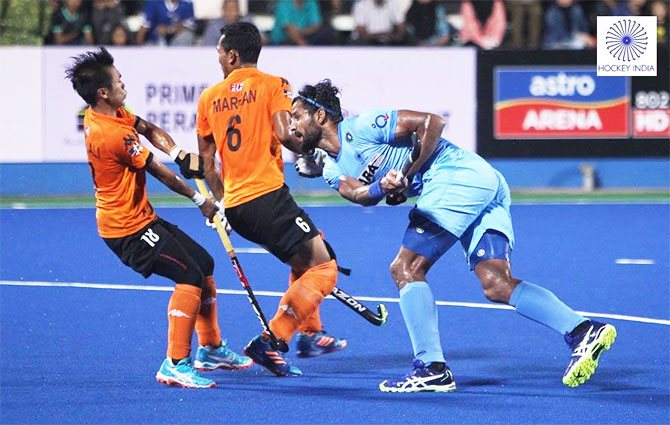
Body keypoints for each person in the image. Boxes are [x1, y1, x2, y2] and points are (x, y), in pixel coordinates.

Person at [289, 79, 618, 392]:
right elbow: (360, 195)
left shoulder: (362, 126)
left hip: (454, 175)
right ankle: (582, 330)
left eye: (297, 116)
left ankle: (431, 368)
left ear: (320, 115)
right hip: (481, 184)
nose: (291, 126)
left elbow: (431, 123)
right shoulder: (330, 168)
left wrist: (406, 173)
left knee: (406, 269)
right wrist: (385, 186)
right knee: (496, 283)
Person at [65, 47, 252, 389]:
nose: (124, 83)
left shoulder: (107, 114)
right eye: (118, 80)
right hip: (126, 230)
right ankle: (175, 363)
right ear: (102, 91)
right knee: (189, 275)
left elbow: (148, 128)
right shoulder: (112, 134)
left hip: (140, 219)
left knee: (204, 263)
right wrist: (201, 200)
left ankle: (210, 349)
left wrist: (179, 153)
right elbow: (158, 172)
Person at [195, 22, 347, 377]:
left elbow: (206, 163)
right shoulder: (272, 84)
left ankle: (310, 333)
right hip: (268, 197)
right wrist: (317, 150)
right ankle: (273, 338)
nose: (218, 57)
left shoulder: (208, 98)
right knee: (325, 268)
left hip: (237, 206)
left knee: (313, 244)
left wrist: (223, 203)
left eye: (219, 51)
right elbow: (286, 134)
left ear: (232, 55)